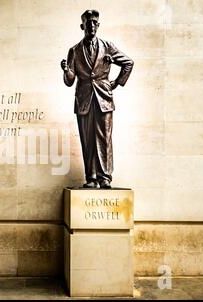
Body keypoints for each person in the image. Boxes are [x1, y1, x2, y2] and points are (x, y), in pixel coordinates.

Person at [61, 9, 134, 189]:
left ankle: (105, 177)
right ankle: (91, 178)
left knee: (104, 138)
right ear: (82, 26)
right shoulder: (74, 51)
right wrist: (66, 71)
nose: (91, 26)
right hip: (84, 100)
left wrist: (116, 83)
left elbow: (128, 63)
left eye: (94, 22)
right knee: (87, 140)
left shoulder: (107, 46)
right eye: (88, 23)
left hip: (104, 98)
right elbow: (70, 81)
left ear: (98, 25)